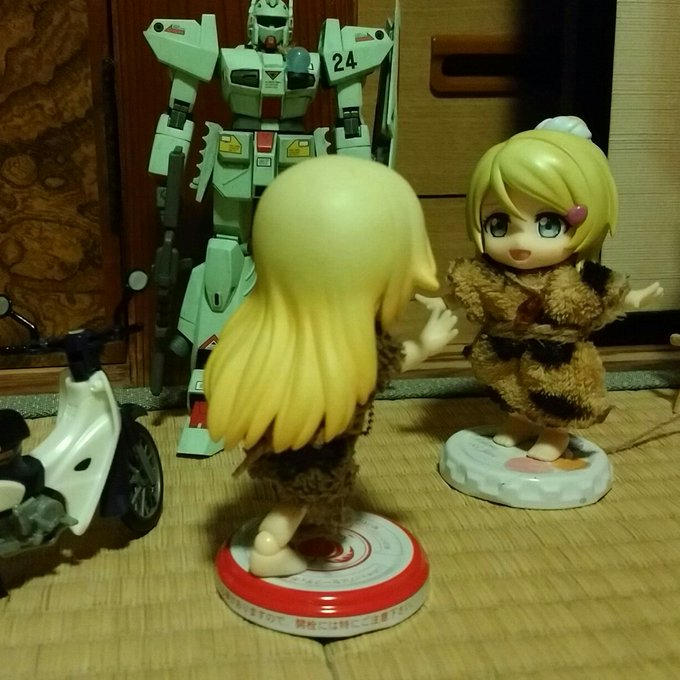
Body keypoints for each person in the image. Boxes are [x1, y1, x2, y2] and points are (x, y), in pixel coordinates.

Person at [205, 154, 457, 576]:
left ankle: (301, 522)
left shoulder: (265, 328)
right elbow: (381, 370)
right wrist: (425, 345)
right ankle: (269, 547)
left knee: (306, 493)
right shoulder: (347, 348)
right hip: (318, 452)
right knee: (300, 497)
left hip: (293, 438)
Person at [448, 116, 662, 462]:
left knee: (557, 395)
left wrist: (633, 297)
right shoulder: (491, 273)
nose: (520, 242)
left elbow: (601, 294)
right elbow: (468, 289)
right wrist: (441, 300)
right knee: (509, 388)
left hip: (557, 357)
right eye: (499, 224)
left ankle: (554, 433)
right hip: (505, 350)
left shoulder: (572, 278)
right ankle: (519, 422)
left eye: (548, 224)